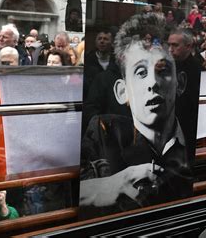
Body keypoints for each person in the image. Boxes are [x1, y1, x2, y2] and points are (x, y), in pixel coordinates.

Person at [79, 13, 193, 219]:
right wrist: (106, 187)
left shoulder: (193, 138)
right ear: (123, 92)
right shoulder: (105, 133)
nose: (153, 83)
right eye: (141, 72)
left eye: (163, 70)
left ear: (180, 83)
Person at [167, 27, 202, 162]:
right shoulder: (167, 66)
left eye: (175, 45)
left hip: (187, 129)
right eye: (169, 45)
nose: (170, 49)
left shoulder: (197, 70)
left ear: (188, 46)